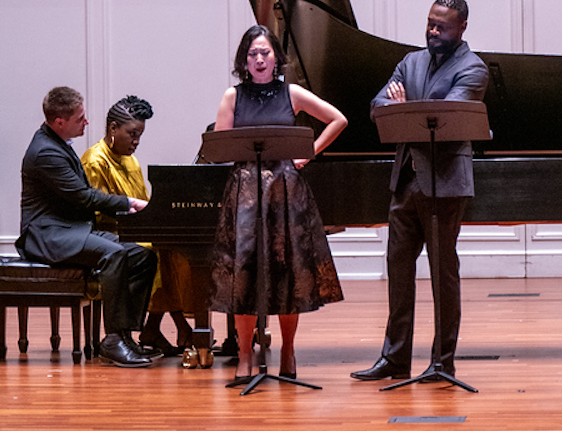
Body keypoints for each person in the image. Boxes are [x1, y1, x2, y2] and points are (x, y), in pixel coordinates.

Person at [350, 0, 489, 382]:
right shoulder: (410, 62)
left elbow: (447, 119)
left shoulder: (473, 69)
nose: (432, 31)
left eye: (441, 26)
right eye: (430, 22)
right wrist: (410, 107)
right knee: (398, 271)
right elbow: (378, 105)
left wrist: (407, 105)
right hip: (405, 181)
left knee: (443, 274)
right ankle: (394, 359)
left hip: (444, 185)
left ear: (461, 28)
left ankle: (443, 362)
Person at [208, 24, 347, 388]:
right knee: (244, 277)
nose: (258, 59)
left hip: (286, 194)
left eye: (264, 52)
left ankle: (287, 350)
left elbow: (338, 119)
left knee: (288, 275)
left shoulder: (292, 93)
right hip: (245, 197)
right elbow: (220, 150)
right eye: (252, 53)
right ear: (244, 59)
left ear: (275, 58)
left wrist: (308, 153)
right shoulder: (232, 97)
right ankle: (244, 356)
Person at [16, 86, 158, 367]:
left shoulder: (56, 143)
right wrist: (128, 202)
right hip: (49, 235)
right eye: (81, 118)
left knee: (143, 255)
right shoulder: (45, 152)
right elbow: (83, 197)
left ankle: (126, 334)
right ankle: (113, 341)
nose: (87, 122)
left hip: (71, 229)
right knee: (115, 254)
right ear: (60, 122)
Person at [81, 95, 194, 356]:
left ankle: (157, 327)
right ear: (112, 129)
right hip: (109, 234)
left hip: (135, 230)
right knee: (155, 253)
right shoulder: (95, 161)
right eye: (132, 134)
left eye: (140, 135)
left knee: (174, 250)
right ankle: (173, 327)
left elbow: (143, 203)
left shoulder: (131, 160)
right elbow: (94, 211)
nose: (136, 141)